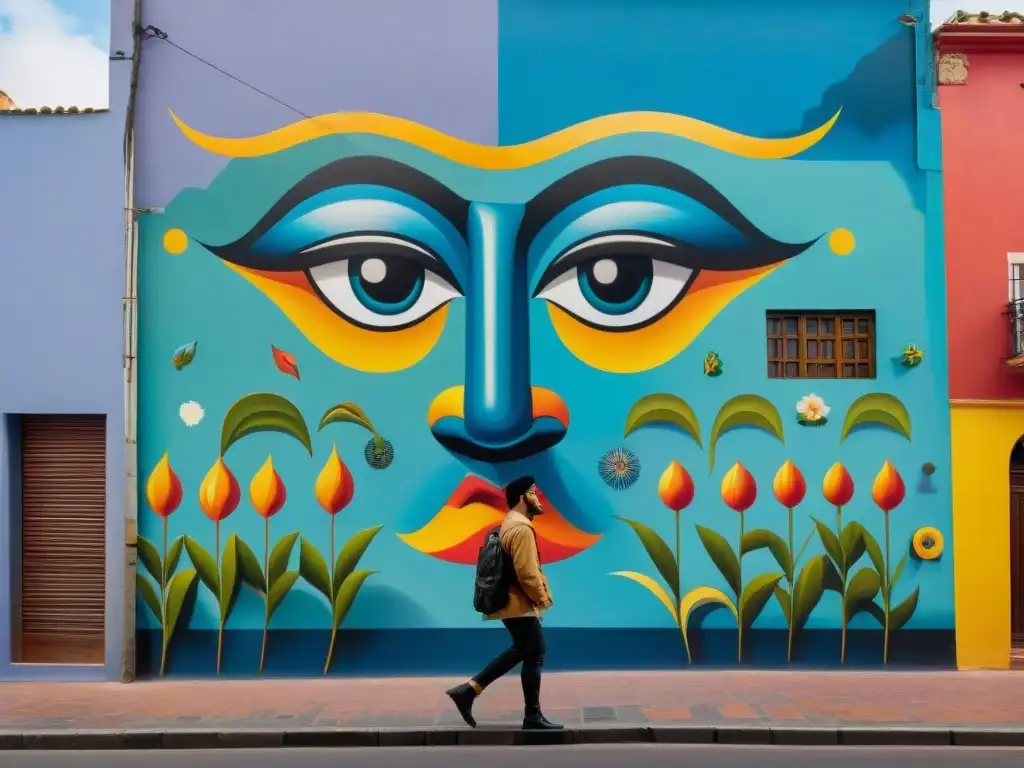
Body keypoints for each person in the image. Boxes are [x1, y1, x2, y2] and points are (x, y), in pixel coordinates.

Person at [445, 476, 562, 731]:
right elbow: (527, 572)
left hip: (513, 602)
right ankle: (475, 693)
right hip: (518, 602)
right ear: (522, 498)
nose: (538, 496)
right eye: (533, 492)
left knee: (528, 650)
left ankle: (473, 692)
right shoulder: (521, 529)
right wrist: (542, 601)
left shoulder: (509, 524)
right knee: (531, 650)